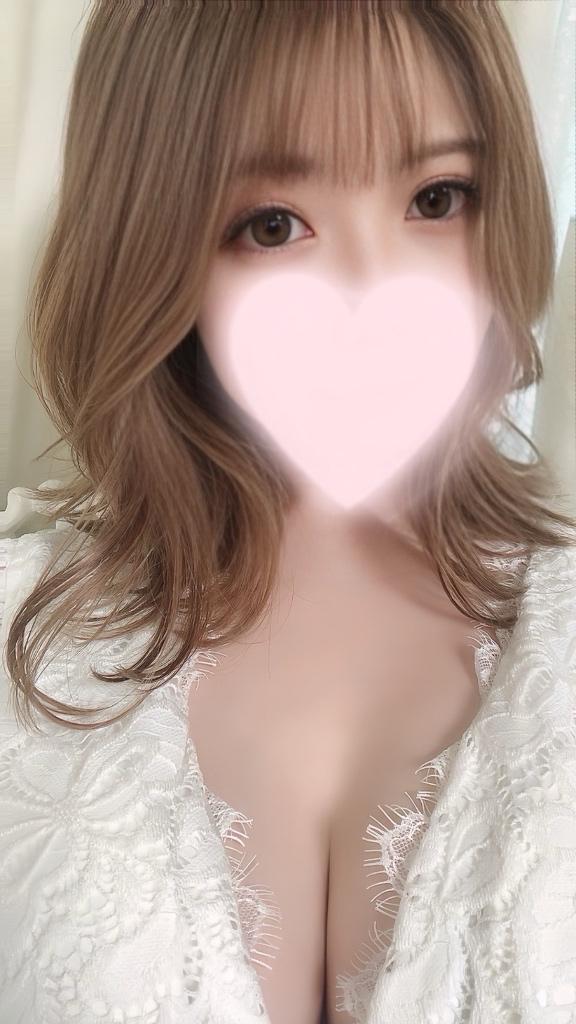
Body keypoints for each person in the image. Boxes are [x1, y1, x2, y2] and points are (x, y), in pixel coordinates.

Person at [1, 2, 575, 1023]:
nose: (372, 289)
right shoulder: (19, 638)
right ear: (154, 247)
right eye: (273, 224)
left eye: (437, 197)